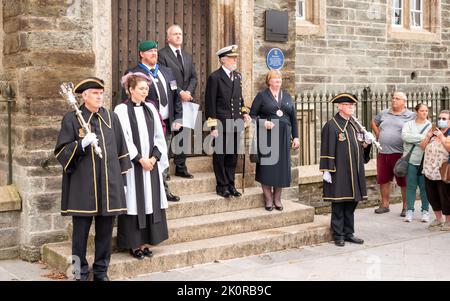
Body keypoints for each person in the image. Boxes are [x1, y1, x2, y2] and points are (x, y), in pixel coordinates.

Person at [54, 77, 131, 281]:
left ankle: (101, 272)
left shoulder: (111, 117)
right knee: (80, 236)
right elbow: (61, 152)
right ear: (84, 96)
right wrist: (80, 145)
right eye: (95, 93)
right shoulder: (72, 119)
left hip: (109, 186)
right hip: (83, 187)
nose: (99, 96)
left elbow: (122, 150)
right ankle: (79, 273)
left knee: (105, 235)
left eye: (101, 93)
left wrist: (122, 182)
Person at [114, 73, 169, 260]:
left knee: (149, 201)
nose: (145, 92)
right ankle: (133, 244)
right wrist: (139, 158)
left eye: (147, 88)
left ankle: (146, 242)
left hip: (150, 165)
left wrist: (154, 157)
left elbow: (159, 137)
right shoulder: (121, 110)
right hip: (134, 166)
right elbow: (123, 138)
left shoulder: (150, 109)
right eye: (141, 88)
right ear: (130, 90)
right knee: (134, 203)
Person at [124, 40, 182, 202]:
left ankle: (163, 190)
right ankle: (151, 192)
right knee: (148, 157)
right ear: (142, 54)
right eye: (150, 51)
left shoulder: (167, 71)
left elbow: (176, 96)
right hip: (146, 126)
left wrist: (178, 117)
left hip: (166, 123)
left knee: (162, 156)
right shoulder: (134, 74)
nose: (154, 53)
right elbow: (129, 100)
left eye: (156, 51)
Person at [320, 93, 374, 247]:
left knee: (352, 202)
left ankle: (349, 233)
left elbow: (359, 146)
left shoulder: (354, 124)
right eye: (348, 105)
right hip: (339, 171)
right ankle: (338, 234)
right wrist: (326, 170)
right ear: (340, 107)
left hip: (355, 170)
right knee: (339, 203)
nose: (352, 107)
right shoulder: (331, 125)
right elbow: (326, 148)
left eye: (353, 105)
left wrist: (367, 143)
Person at [205, 45, 251, 198]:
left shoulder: (237, 76)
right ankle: (222, 186)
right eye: (232, 58)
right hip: (221, 124)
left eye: (235, 57)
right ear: (223, 60)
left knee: (232, 156)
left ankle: (231, 185)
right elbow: (210, 103)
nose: (235, 60)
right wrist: (212, 127)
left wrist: (244, 113)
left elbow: (239, 99)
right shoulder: (215, 77)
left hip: (235, 123)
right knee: (220, 156)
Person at [249, 70, 299, 211]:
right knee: (267, 169)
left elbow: (293, 119)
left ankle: (277, 198)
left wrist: (296, 137)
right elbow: (252, 116)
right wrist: (263, 123)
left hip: (283, 138)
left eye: (280, 78)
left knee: (281, 170)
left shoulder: (287, 96)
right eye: (275, 78)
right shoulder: (262, 96)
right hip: (267, 137)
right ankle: (268, 199)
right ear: (269, 81)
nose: (278, 81)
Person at [158, 24, 197, 179]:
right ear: (168, 38)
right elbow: (165, 77)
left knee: (183, 135)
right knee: (168, 135)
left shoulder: (187, 56)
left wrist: (188, 92)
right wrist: (180, 92)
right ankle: (165, 168)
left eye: (180, 33)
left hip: (186, 102)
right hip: (170, 101)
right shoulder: (162, 55)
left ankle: (181, 167)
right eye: (175, 34)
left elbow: (194, 77)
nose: (178, 36)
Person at [371, 92, 415, 216]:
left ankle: (406, 207)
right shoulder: (384, 113)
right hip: (383, 152)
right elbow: (373, 122)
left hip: (401, 153)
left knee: (403, 181)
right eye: (393, 98)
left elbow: (420, 126)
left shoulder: (411, 115)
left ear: (404, 102)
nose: (394, 100)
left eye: (397, 98)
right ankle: (385, 205)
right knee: (383, 179)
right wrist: (378, 134)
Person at [401, 103, 431, 223]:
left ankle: (425, 211)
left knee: (424, 188)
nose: (425, 113)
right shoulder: (408, 124)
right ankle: (410, 211)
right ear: (416, 112)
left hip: (424, 161)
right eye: (422, 111)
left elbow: (428, 142)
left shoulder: (430, 125)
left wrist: (418, 138)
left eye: (426, 111)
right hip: (411, 160)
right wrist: (423, 138)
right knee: (411, 187)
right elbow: (404, 137)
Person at [421, 110, 450, 231]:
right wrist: (428, 136)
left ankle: (448, 221)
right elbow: (422, 147)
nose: (441, 120)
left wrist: (442, 137)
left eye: (444, 119)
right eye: (440, 118)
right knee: (432, 196)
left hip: (442, 172)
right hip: (429, 171)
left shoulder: (447, 134)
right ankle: (439, 219)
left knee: (446, 197)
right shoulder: (433, 131)